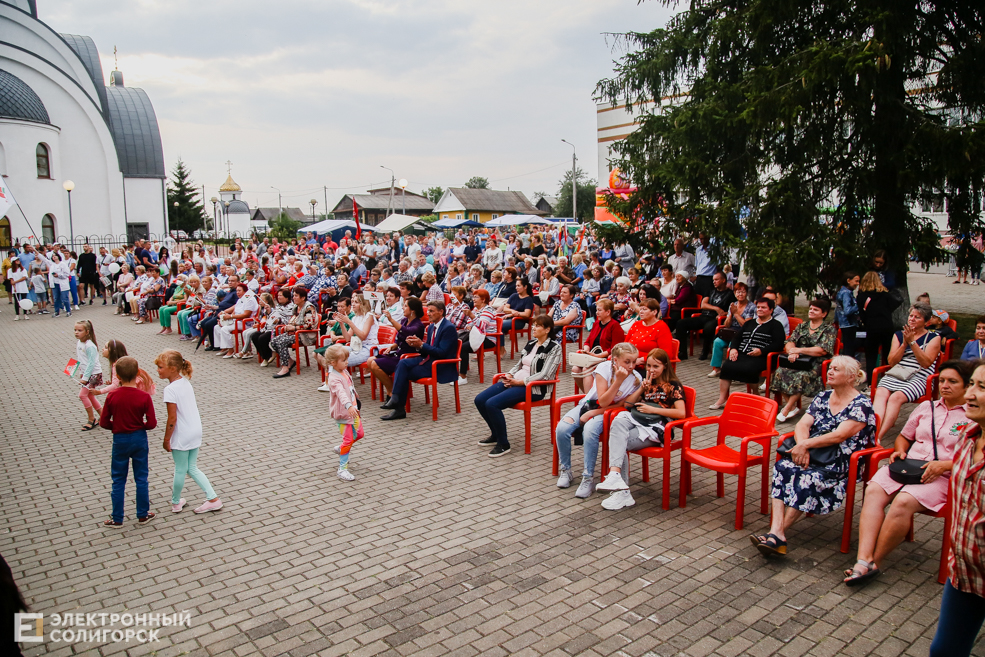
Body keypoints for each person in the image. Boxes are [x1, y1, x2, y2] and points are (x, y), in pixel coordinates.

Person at [845, 360, 972, 586]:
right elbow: (904, 436)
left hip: (944, 476)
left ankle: (875, 562)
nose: (945, 386)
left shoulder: (973, 417)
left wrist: (944, 465)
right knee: (873, 489)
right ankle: (862, 560)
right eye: (942, 380)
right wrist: (900, 451)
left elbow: (975, 457)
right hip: (910, 467)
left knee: (903, 501)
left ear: (967, 386)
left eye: (953, 382)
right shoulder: (926, 407)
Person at [751, 356, 877, 557]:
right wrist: (803, 447)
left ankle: (776, 534)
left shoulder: (861, 404)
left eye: (836, 369)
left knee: (808, 477)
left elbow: (840, 435)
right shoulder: (823, 397)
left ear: (851, 377)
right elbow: (802, 424)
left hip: (840, 460)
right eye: (830, 368)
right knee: (783, 467)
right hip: (813, 451)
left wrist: (805, 445)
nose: (830, 372)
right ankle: (776, 534)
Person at [928, 362, 985, 656]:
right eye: (972, 384)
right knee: (944, 651)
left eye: (982, 387)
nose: (971, 394)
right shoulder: (967, 438)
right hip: (964, 572)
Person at [596, 348, 687, 511]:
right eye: (648, 366)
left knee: (619, 442)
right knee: (618, 421)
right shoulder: (647, 383)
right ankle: (616, 476)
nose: (651, 370)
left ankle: (622, 491)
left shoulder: (673, 385)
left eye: (656, 366)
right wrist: (641, 390)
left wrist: (654, 410)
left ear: (665, 366)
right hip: (639, 421)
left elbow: (681, 413)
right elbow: (628, 405)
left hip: (658, 428)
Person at [554, 342, 643, 498]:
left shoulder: (636, 379)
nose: (631, 366)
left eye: (634, 362)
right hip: (589, 405)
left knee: (590, 431)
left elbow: (619, 405)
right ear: (615, 360)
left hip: (609, 412)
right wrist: (591, 410)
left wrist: (618, 382)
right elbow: (601, 399)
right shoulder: (604, 368)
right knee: (562, 428)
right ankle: (566, 470)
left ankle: (587, 477)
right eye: (627, 362)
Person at [474, 315, 561, 457]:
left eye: (537, 326)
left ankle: (503, 444)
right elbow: (519, 364)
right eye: (533, 325)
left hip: (533, 388)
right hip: (515, 382)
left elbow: (546, 375)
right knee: (480, 400)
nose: (533, 328)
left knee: (492, 404)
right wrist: (509, 374)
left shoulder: (554, 348)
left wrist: (521, 382)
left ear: (547, 330)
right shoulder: (531, 343)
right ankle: (496, 434)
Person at [155, 350, 222, 514]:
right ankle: (212, 498)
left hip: (182, 433)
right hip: (195, 429)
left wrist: (166, 439)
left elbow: (172, 419)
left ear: (172, 368)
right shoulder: (185, 381)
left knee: (180, 469)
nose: (158, 370)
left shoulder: (170, 389)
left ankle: (176, 502)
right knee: (191, 467)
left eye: (160, 367)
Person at [98, 356, 157, 527]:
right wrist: (141, 426)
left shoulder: (112, 396)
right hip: (139, 438)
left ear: (117, 375)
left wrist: (116, 426)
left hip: (120, 438)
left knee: (118, 479)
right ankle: (142, 514)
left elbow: (103, 422)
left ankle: (117, 518)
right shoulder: (144, 397)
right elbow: (152, 423)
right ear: (138, 373)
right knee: (141, 477)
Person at [873, 303, 942, 441]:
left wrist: (913, 343)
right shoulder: (898, 335)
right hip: (899, 372)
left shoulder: (934, 338)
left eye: (917, 317)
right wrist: (904, 343)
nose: (912, 319)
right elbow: (892, 361)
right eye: (911, 316)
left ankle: (878, 437)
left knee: (895, 397)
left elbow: (926, 363)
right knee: (880, 392)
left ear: (926, 322)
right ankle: (873, 430)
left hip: (920, 376)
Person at [380, 300, 459, 421]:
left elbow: (442, 353)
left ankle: (398, 406)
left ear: (441, 312)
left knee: (403, 372)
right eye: (428, 311)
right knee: (403, 363)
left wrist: (421, 345)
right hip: (428, 360)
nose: (429, 314)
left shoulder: (449, 328)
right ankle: (396, 400)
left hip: (440, 365)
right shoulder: (432, 327)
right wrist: (416, 345)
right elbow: (427, 349)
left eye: (432, 311)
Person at [711, 297, 786, 409]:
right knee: (727, 366)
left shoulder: (776, 325)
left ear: (771, 310)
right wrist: (733, 349)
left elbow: (779, 344)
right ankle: (722, 398)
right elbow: (736, 338)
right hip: (742, 353)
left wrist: (761, 351)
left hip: (763, 357)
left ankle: (755, 394)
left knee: (749, 368)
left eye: (763, 307)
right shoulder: (749, 323)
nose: (760, 309)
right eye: (758, 307)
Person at [771, 298, 838, 422]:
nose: (811, 311)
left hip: (817, 363)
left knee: (801, 376)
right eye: (811, 308)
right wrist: (792, 351)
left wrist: (799, 351)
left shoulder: (828, 329)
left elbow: (822, 350)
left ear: (824, 313)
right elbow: (789, 342)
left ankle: (786, 409)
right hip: (798, 360)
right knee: (778, 373)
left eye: (815, 310)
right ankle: (792, 407)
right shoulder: (802, 326)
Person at [367, 297, 426, 403]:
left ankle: (391, 393)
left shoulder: (418, 325)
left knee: (375, 364)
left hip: (407, 357)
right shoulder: (404, 320)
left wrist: (391, 320)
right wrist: (392, 346)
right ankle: (391, 390)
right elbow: (399, 339)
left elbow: (406, 332)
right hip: (398, 353)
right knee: (370, 360)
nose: (403, 308)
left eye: (405, 306)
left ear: (412, 310)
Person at [324, 344, 365, 482]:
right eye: (343, 360)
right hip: (343, 413)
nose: (347, 362)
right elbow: (341, 393)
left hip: (353, 410)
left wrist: (355, 398)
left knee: (359, 434)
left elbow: (349, 387)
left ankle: (341, 448)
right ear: (333, 363)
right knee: (348, 440)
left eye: (347, 359)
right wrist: (348, 405)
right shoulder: (333, 378)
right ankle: (342, 469)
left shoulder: (344, 371)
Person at [673, 271, 735, 360]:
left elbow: (731, 310)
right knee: (681, 323)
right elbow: (703, 305)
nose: (714, 282)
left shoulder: (730, 294)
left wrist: (724, 313)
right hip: (704, 316)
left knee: (708, 328)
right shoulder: (710, 290)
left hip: (716, 319)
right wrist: (716, 308)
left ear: (723, 280)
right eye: (713, 280)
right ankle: (682, 352)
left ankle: (705, 351)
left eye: (717, 280)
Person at [858, 270, 903, 384]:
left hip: (872, 327)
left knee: (871, 355)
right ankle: (890, 380)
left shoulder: (862, 296)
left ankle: (871, 383)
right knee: (888, 354)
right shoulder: (885, 295)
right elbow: (893, 306)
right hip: (887, 326)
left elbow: (862, 314)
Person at [572, 298, 625, 393]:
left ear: (608, 312)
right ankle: (587, 395)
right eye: (596, 310)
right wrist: (586, 350)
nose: (596, 312)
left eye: (599, 310)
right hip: (592, 356)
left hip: (605, 357)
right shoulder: (596, 324)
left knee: (586, 368)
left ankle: (589, 399)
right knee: (575, 369)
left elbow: (615, 349)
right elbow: (587, 341)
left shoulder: (615, 326)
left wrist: (598, 356)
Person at [708, 281, 754, 377]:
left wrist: (736, 314)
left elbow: (747, 325)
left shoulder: (751, 306)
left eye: (743, 292)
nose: (740, 294)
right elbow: (727, 325)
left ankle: (731, 371)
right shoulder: (733, 305)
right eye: (738, 292)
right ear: (734, 293)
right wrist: (731, 314)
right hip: (731, 332)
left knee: (732, 346)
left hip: (743, 333)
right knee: (717, 341)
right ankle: (717, 368)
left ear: (747, 293)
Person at [271, 287, 318, 379]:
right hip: (296, 333)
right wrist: (288, 327)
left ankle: (285, 368)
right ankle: (290, 361)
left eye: (296, 296)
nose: (293, 298)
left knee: (282, 342)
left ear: (303, 297)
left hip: (305, 335)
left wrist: (294, 328)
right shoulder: (296, 307)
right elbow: (293, 320)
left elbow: (309, 325)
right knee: (274, 341)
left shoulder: (309, 307)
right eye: (293, 296)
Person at [457, 288, 498, 384]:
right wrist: (469, 325)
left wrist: (471, 315)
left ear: (483, 299)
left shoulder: (488, 310)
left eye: (476, 297)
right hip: (476, 336)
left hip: (488, 338)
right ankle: (458, 370)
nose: (473, 299)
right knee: (457, 342)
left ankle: (462, 376)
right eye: (473, 297)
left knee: (463, 347)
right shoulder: (476, 309)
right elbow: (470, 323)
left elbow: (482, 327)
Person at [624, 298, 675, 370]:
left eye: (644, 309)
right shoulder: (636, 324)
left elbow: (666, 354)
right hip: (631, 361)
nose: (641, 312)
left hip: (649, 366)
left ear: (654, 312)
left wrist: (642, 359)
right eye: (640, 309)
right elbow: (625, 345)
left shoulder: (661, 327)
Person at [72, 319, 104, 431]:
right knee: (90, 395)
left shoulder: (90, 346)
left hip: (93, 374)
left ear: (87, 331)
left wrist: (85, 378)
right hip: (87, 374)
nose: (76, 332)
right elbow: (82, 360)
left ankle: (92, 419)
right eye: (75, 330)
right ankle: (103, 415)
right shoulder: (79, 343)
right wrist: (81, 373)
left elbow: (91, 363)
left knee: (82, 395)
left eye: (79, 330)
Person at [215, 284, 260, 357]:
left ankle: (231, 350)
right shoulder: (240, 299)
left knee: (224, 329)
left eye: (239, 291)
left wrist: (230, 317)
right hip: (237, 321)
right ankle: (224, 347)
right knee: (217, 327)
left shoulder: (250, 299)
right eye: (237, 291)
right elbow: (235, 310)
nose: (237, 292)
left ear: (245, 291)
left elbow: (246, 315)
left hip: (247, 323)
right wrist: (225, 315)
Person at [835, 271, 861, 356]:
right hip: (849, 324)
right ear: (848, 280)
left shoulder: (842, 291)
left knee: (848, 347)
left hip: (844, 323)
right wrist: (859, 306)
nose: (857, 284)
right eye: (856, 281)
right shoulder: (846, 293)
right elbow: (847, 310)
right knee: (849, 349)